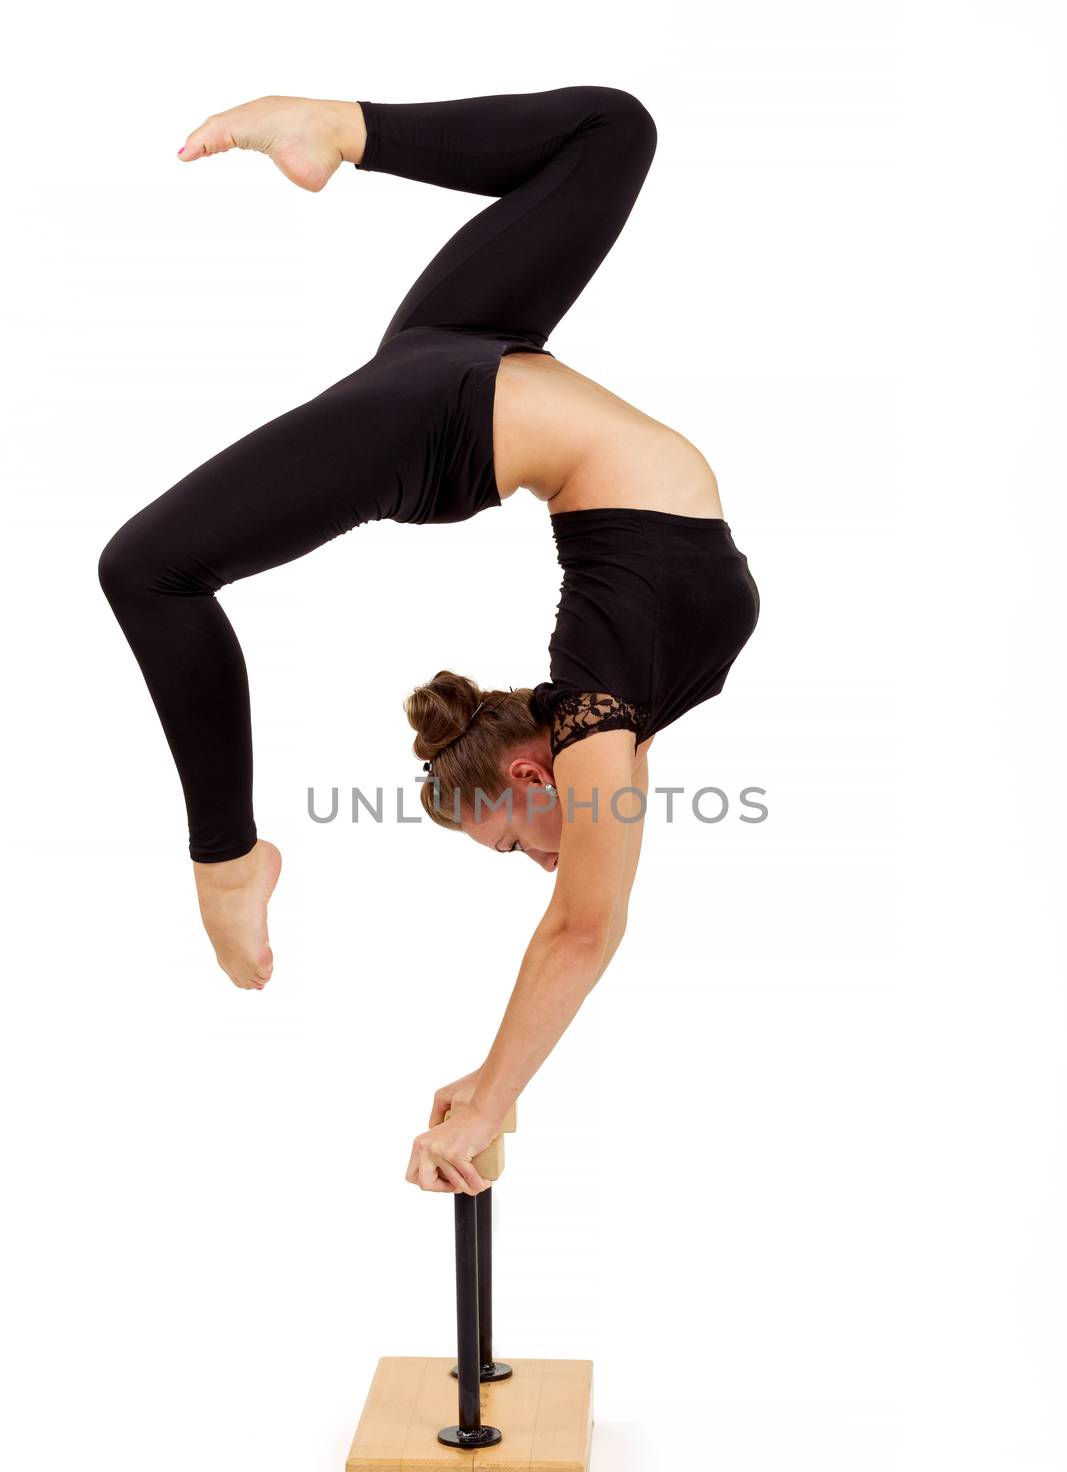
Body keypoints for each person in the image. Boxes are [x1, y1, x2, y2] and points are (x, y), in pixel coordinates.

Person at [98, 88, 760, 1194]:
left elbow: (580, 919)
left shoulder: (601, 706)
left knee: (150, 570)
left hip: (457, 387)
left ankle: (227, 860)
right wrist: (493, 1084)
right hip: (457, 372)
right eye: (519, 855)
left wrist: (492, 1089)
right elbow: (584, 923)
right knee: (616, 131)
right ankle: (338, 130)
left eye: (512, 846)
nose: (539, 861)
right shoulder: (608, 706)